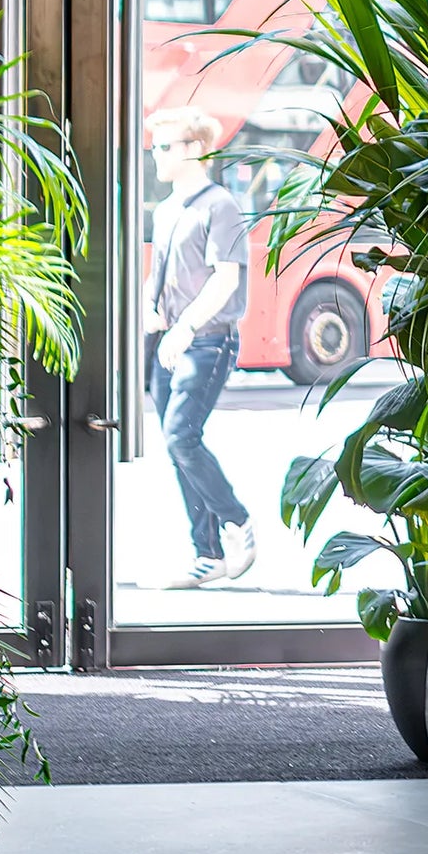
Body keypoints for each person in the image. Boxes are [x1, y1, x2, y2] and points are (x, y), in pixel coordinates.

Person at [145, 107, 258, 587]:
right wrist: (149, 314)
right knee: (177, 447)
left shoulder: (221, 206)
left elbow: (225, 280)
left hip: (208, 341)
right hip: (168, 341)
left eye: (165, 146)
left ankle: (237, 521)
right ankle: (208, 555)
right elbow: (161, 273)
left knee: (181, 436)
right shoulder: (168, 208)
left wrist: (185, 327)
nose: (156, 154)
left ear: (194, 150)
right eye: (154, 146)